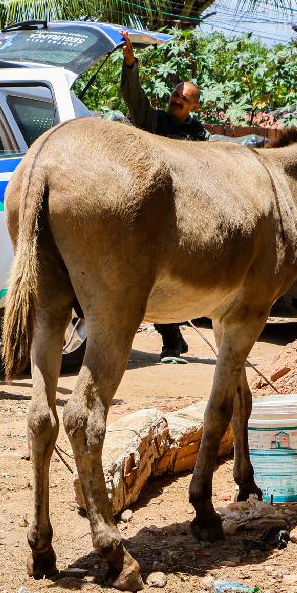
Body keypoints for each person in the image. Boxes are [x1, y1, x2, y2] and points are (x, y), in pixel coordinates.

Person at [120, 31, 209, 359]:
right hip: (153, 209)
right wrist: (130, 64)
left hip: (188, 213)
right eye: (174, 95)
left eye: (183, 99)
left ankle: (174, 341)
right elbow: (134, 98)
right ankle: (172, 341)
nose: (175, 100)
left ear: (194, 106)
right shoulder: (153, 121)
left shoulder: (200, 136)